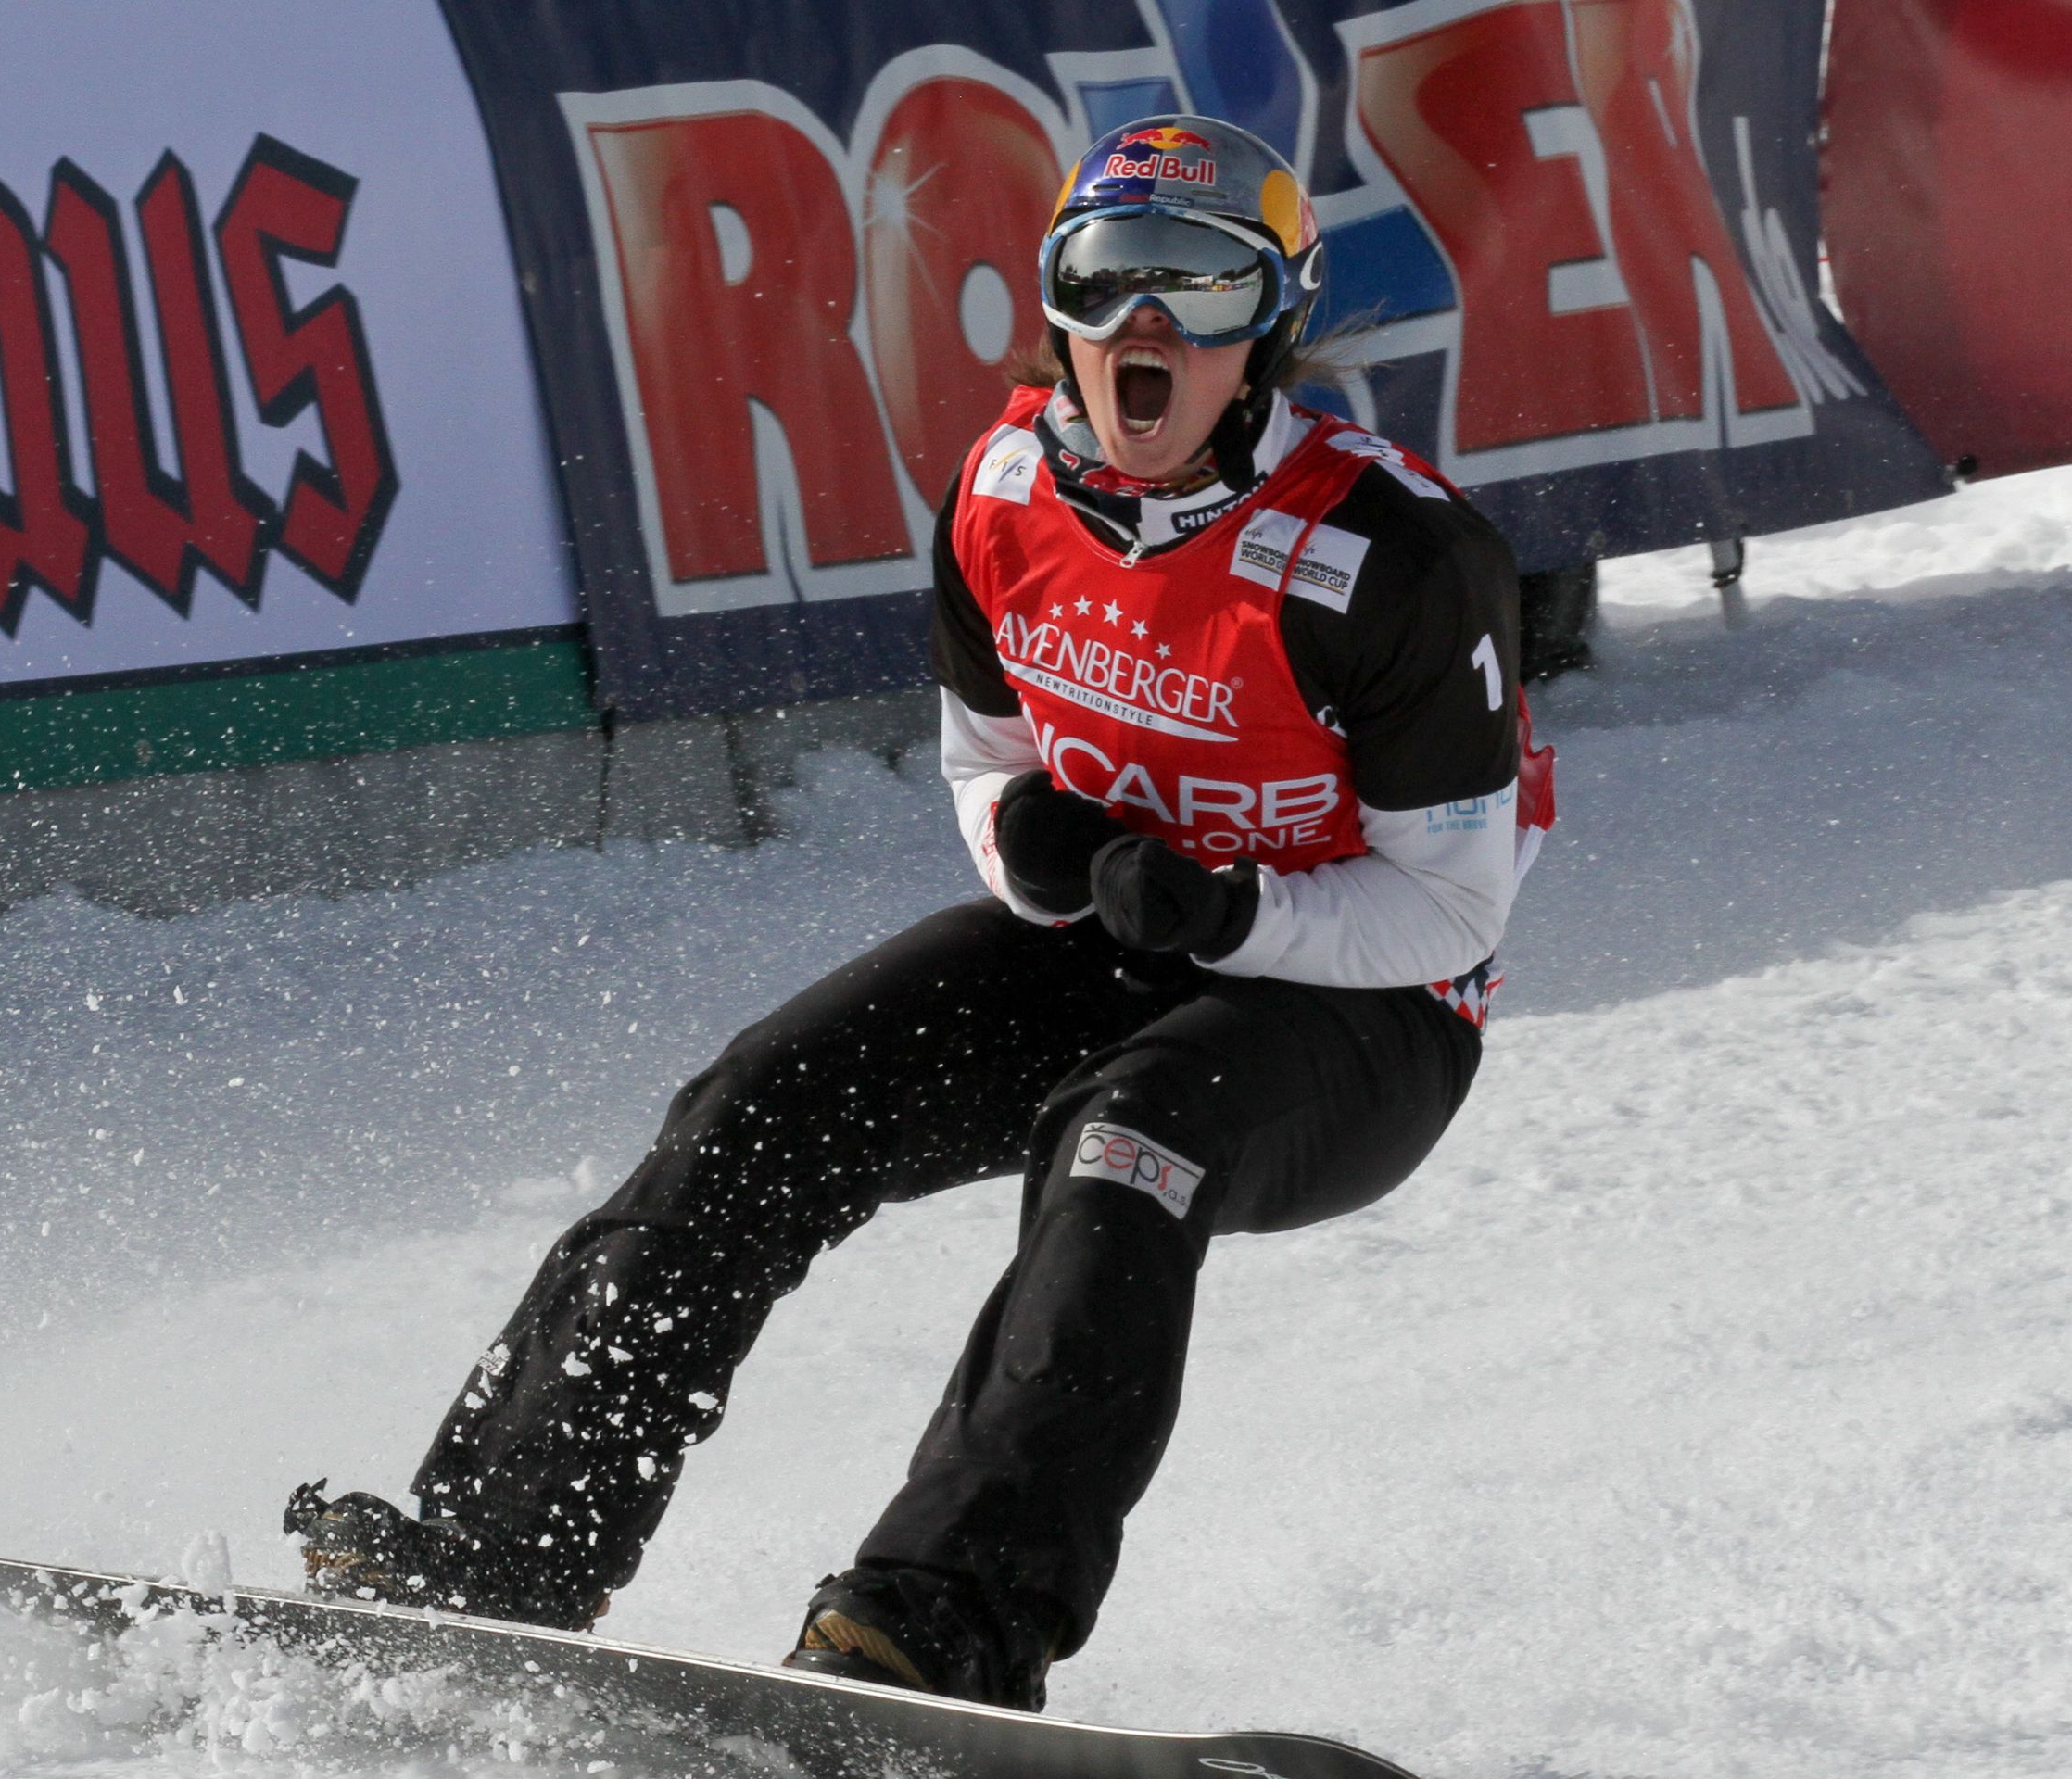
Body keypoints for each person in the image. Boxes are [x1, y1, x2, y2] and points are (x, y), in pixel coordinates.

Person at [284, 115, 1553, 1713]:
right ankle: (497, 1554)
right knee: (760, 1106)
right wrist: (1020, 843)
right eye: (1111, 282)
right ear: (1057, 307)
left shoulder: (1393, 553)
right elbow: (990, 753)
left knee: (1126, 1141)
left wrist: (1234, 915)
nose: (1145, 333)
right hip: (1122, 934)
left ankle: (943, 1621)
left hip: (1368, 1011)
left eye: (1201, 291)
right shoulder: (1002, 489)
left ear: (1273, 327)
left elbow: (1452, 906)